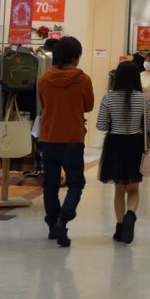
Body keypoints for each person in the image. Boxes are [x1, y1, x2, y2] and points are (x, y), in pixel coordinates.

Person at [37, 36, 95, 247]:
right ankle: (63, 218)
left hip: (48, 138)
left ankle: (52, 225)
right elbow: (88, 106)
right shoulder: (83, 79)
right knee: (76, 183)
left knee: (50, 185)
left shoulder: (43, 79)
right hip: (73, 139)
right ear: (75, 57)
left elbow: (43, 105)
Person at [97, 61, 150, 244]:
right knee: (133, 188)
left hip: (115, 144)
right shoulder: (143, 98)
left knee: (119, 189)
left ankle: (120, 227)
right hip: (135, 144)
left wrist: (112, 122)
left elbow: (100, 125)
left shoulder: (108, 98)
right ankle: (131, 214)